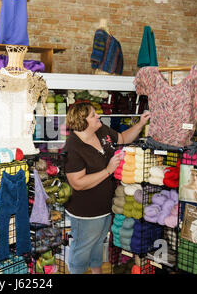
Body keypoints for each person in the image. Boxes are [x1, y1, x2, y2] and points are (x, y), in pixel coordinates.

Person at [63, 102, 150, 274]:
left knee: (97, 244)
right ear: (82, 121)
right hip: (86, 212)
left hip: (104, 206)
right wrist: (108, 170)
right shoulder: (73, 147)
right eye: (93, 115)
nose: (98, 116)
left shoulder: (101, 131)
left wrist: (140, 123)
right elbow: (77, 183)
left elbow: (123, 138)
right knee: (82, 249)